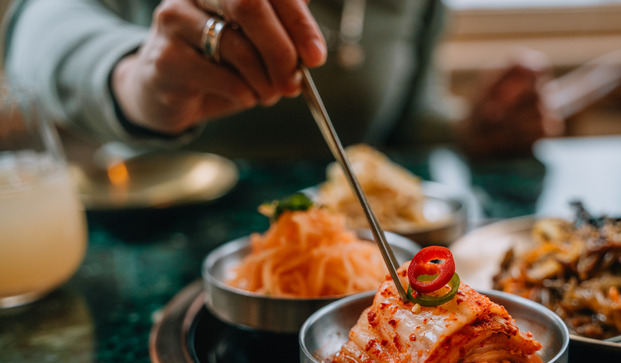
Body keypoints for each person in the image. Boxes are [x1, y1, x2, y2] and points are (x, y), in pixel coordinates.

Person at [1, 0, 560, 162]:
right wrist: (131, 77)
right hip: (153, 242)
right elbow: (34, 24)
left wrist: (470, 129)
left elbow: (401, 118)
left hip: (348, 274)